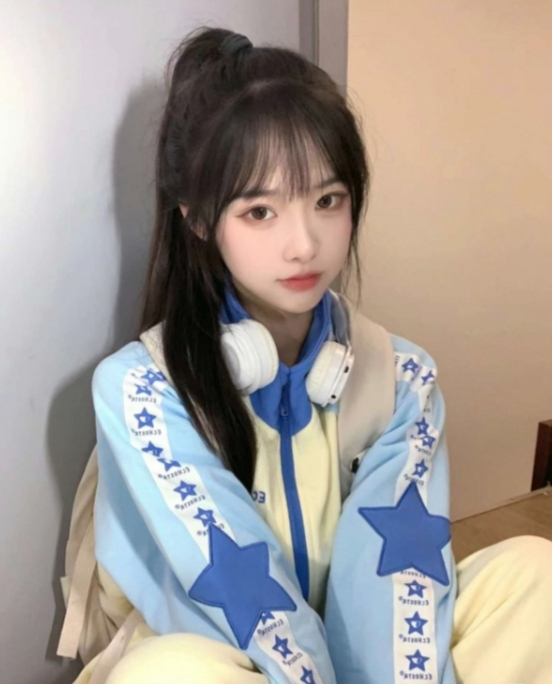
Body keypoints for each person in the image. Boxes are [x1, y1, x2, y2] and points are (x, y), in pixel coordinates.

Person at [73, 26, 552, 684]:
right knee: (168, 675)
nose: (304, 243)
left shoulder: (401, 378)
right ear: (200, 219)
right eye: (260, 212)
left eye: (328, 201)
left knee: (536, 577)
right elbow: (238, 589)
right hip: (229, 652)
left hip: (365, 648)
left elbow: (397, 574)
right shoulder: (143, 390)